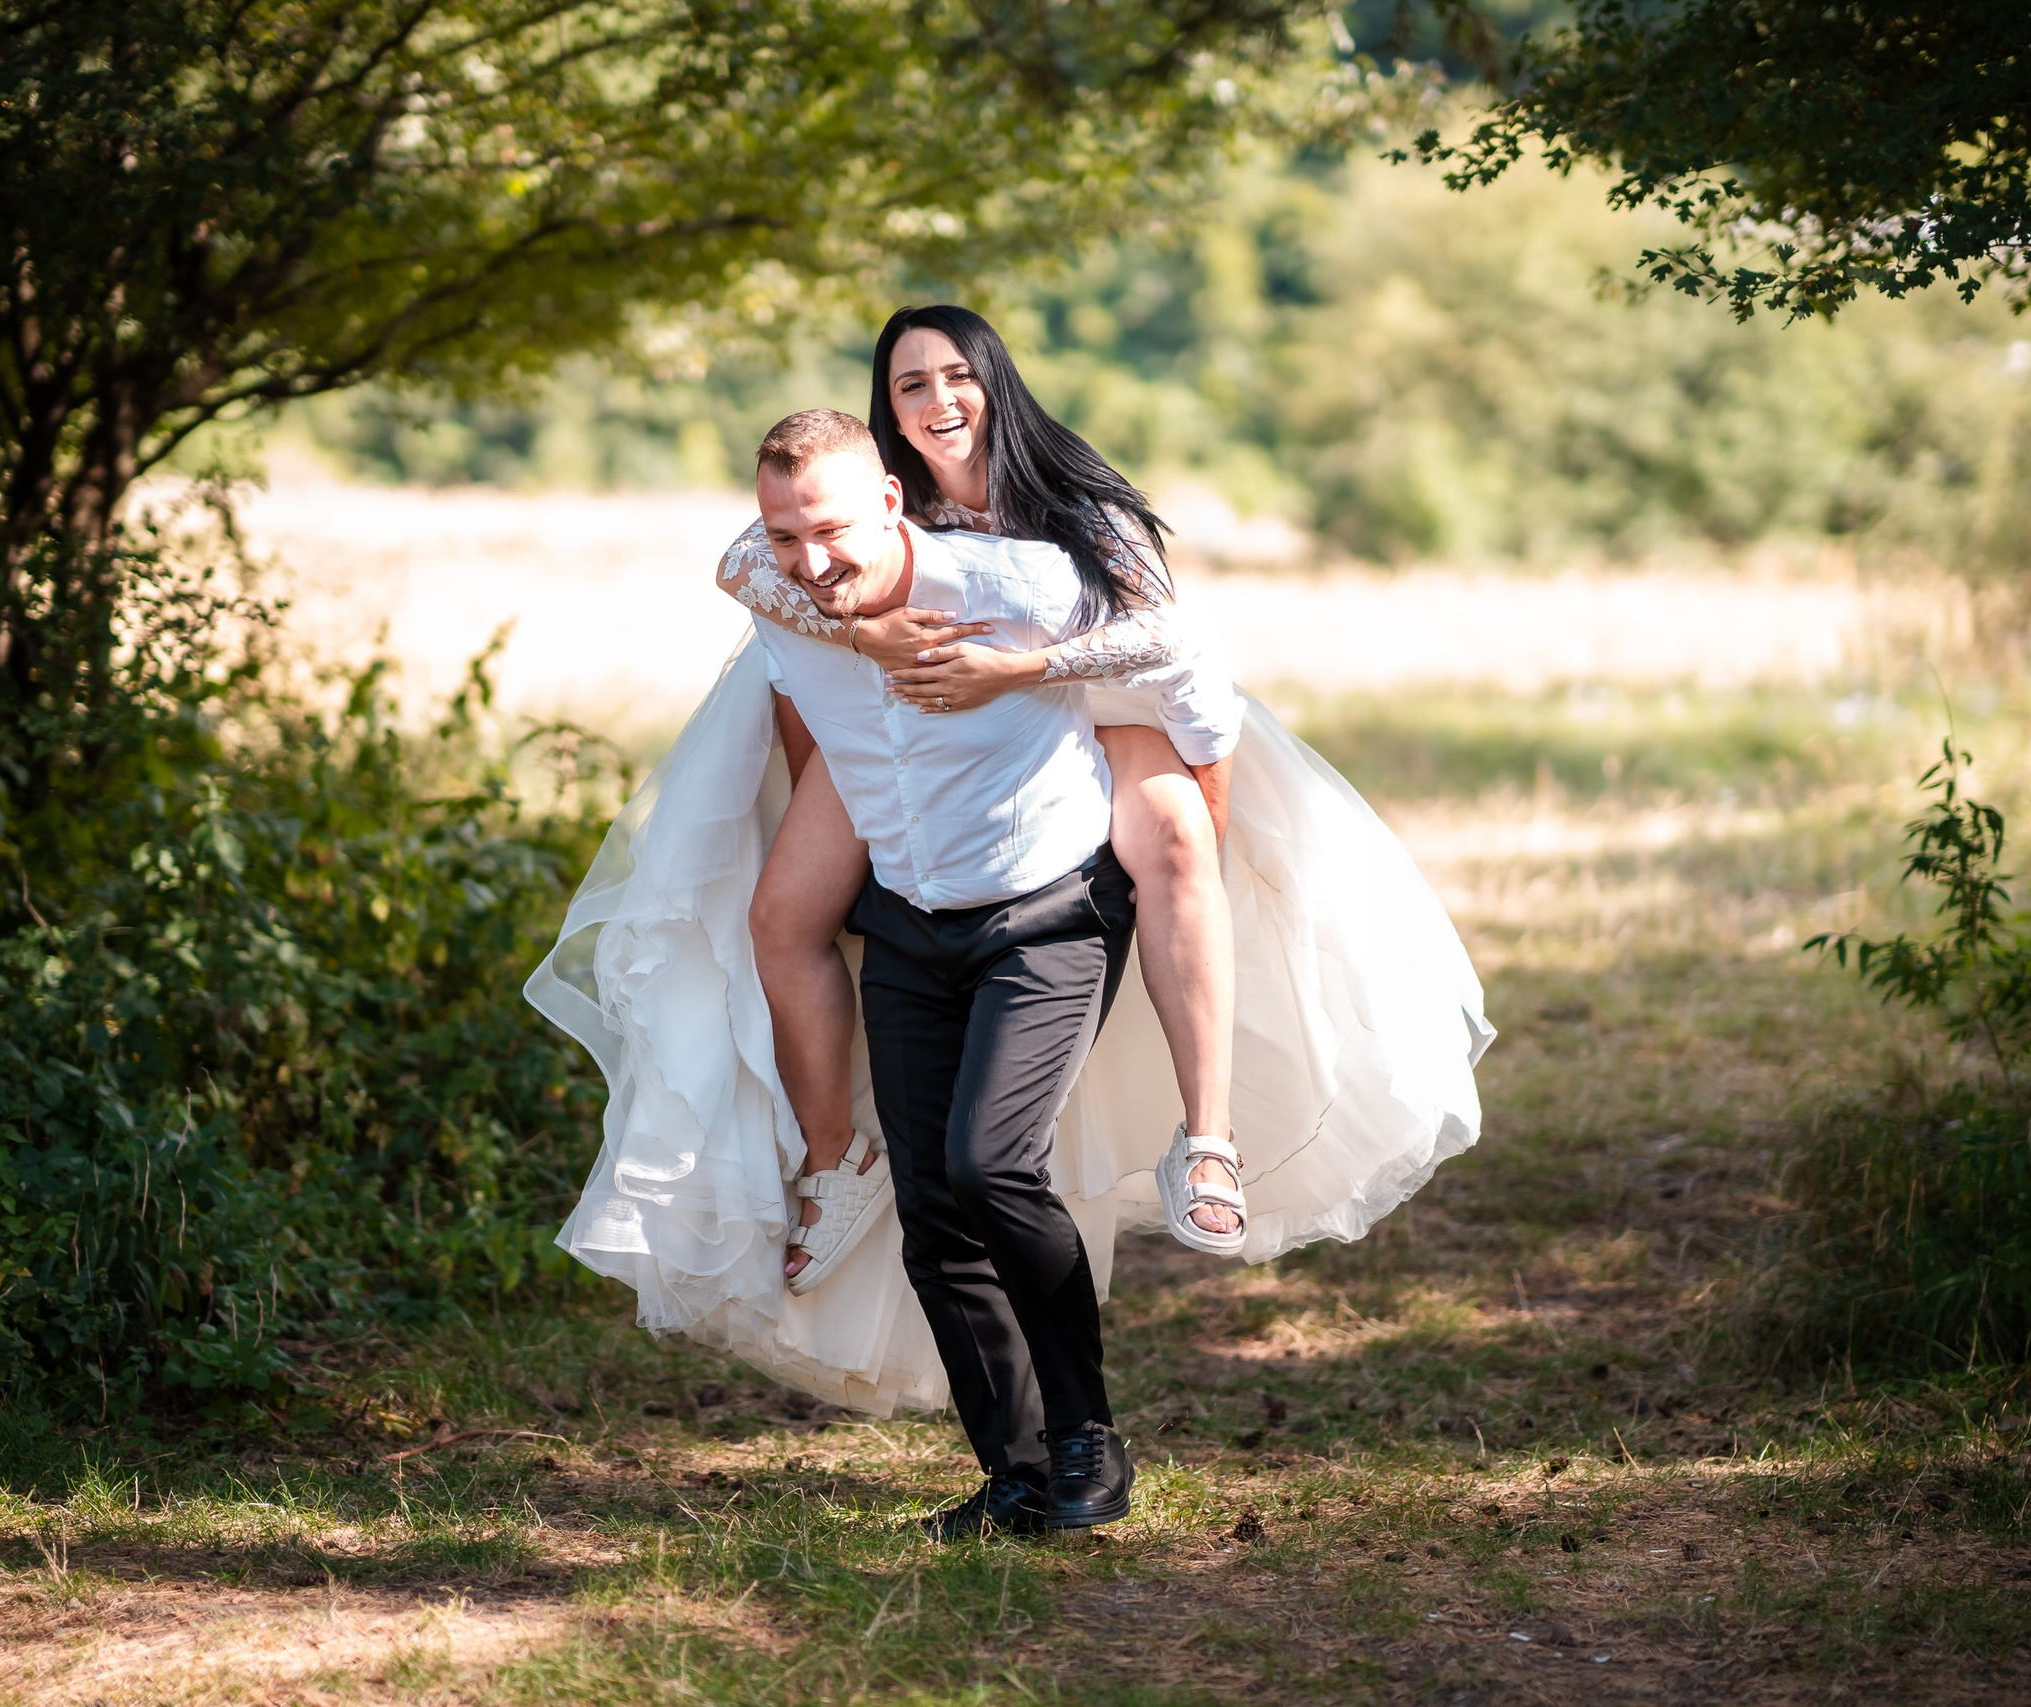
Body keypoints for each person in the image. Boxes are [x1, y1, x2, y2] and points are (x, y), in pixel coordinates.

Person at [525, 315, 1495, 1504]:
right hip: (909, 922)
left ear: (887, 498)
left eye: (830, 532)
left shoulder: (1038, 569)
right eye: (792, 536)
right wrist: (853, 626)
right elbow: (740, 567)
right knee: (934, 1212)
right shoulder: (788, 582)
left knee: (991, 1168)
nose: (809, 557)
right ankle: (1015, 1474)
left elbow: (1186, 662)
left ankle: (1095, 1425)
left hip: (1045, 907)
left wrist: (1039, 685)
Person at [718, 305, 1250, 1294]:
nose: (935, 400)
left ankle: (1207, 1135)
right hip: (925, 712)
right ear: (884, 410)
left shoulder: (1073, 509)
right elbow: (745, 566)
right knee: (781, 912)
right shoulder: (874, 506)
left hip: (1090, 696)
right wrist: (859, 637)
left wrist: (1026, 669)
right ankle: (838, 1160)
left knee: (1175, 839)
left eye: (954, 374)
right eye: (907, 384)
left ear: (995, 378)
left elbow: (1164, 635)